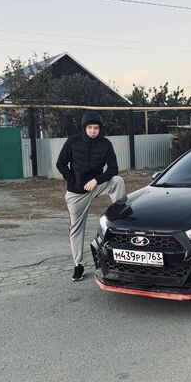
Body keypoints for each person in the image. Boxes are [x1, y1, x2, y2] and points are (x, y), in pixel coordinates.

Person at [56, 111, 127, 281]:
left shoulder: (105, 144)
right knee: (76, 228)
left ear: (99, 129)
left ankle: (121, 218)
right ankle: (78, 265)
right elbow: (61, 164)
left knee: (117, 181)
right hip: (77, 192)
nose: (93, 131)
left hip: (96, 185)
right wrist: (73, 181)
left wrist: (96, 180)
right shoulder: (73, 141)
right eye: (90, 127)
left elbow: (113, 169)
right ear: (84, 128)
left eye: (96, 128)